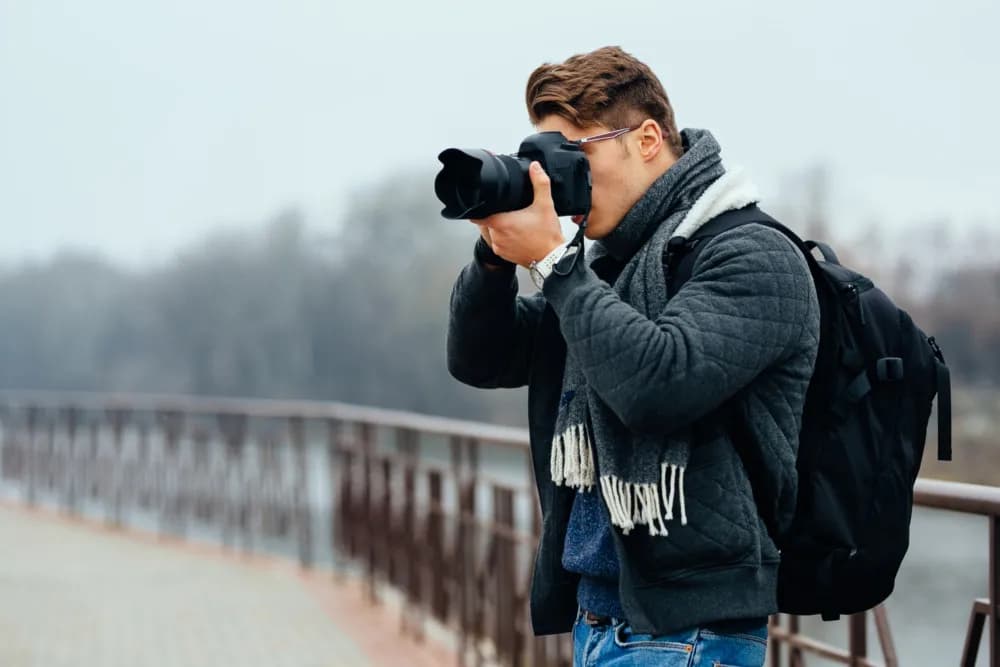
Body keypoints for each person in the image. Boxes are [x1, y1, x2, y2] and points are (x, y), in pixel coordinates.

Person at [446, 45, 820, 667]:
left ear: (647, 139)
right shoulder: (609, 272)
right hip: (601, 621)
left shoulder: (752, 254)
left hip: (690, 632)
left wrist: (558, 266)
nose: (563, 179)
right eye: (543, 160)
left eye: (576, 155)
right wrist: (493, 257)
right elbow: (482, 359)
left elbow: (658, 384)